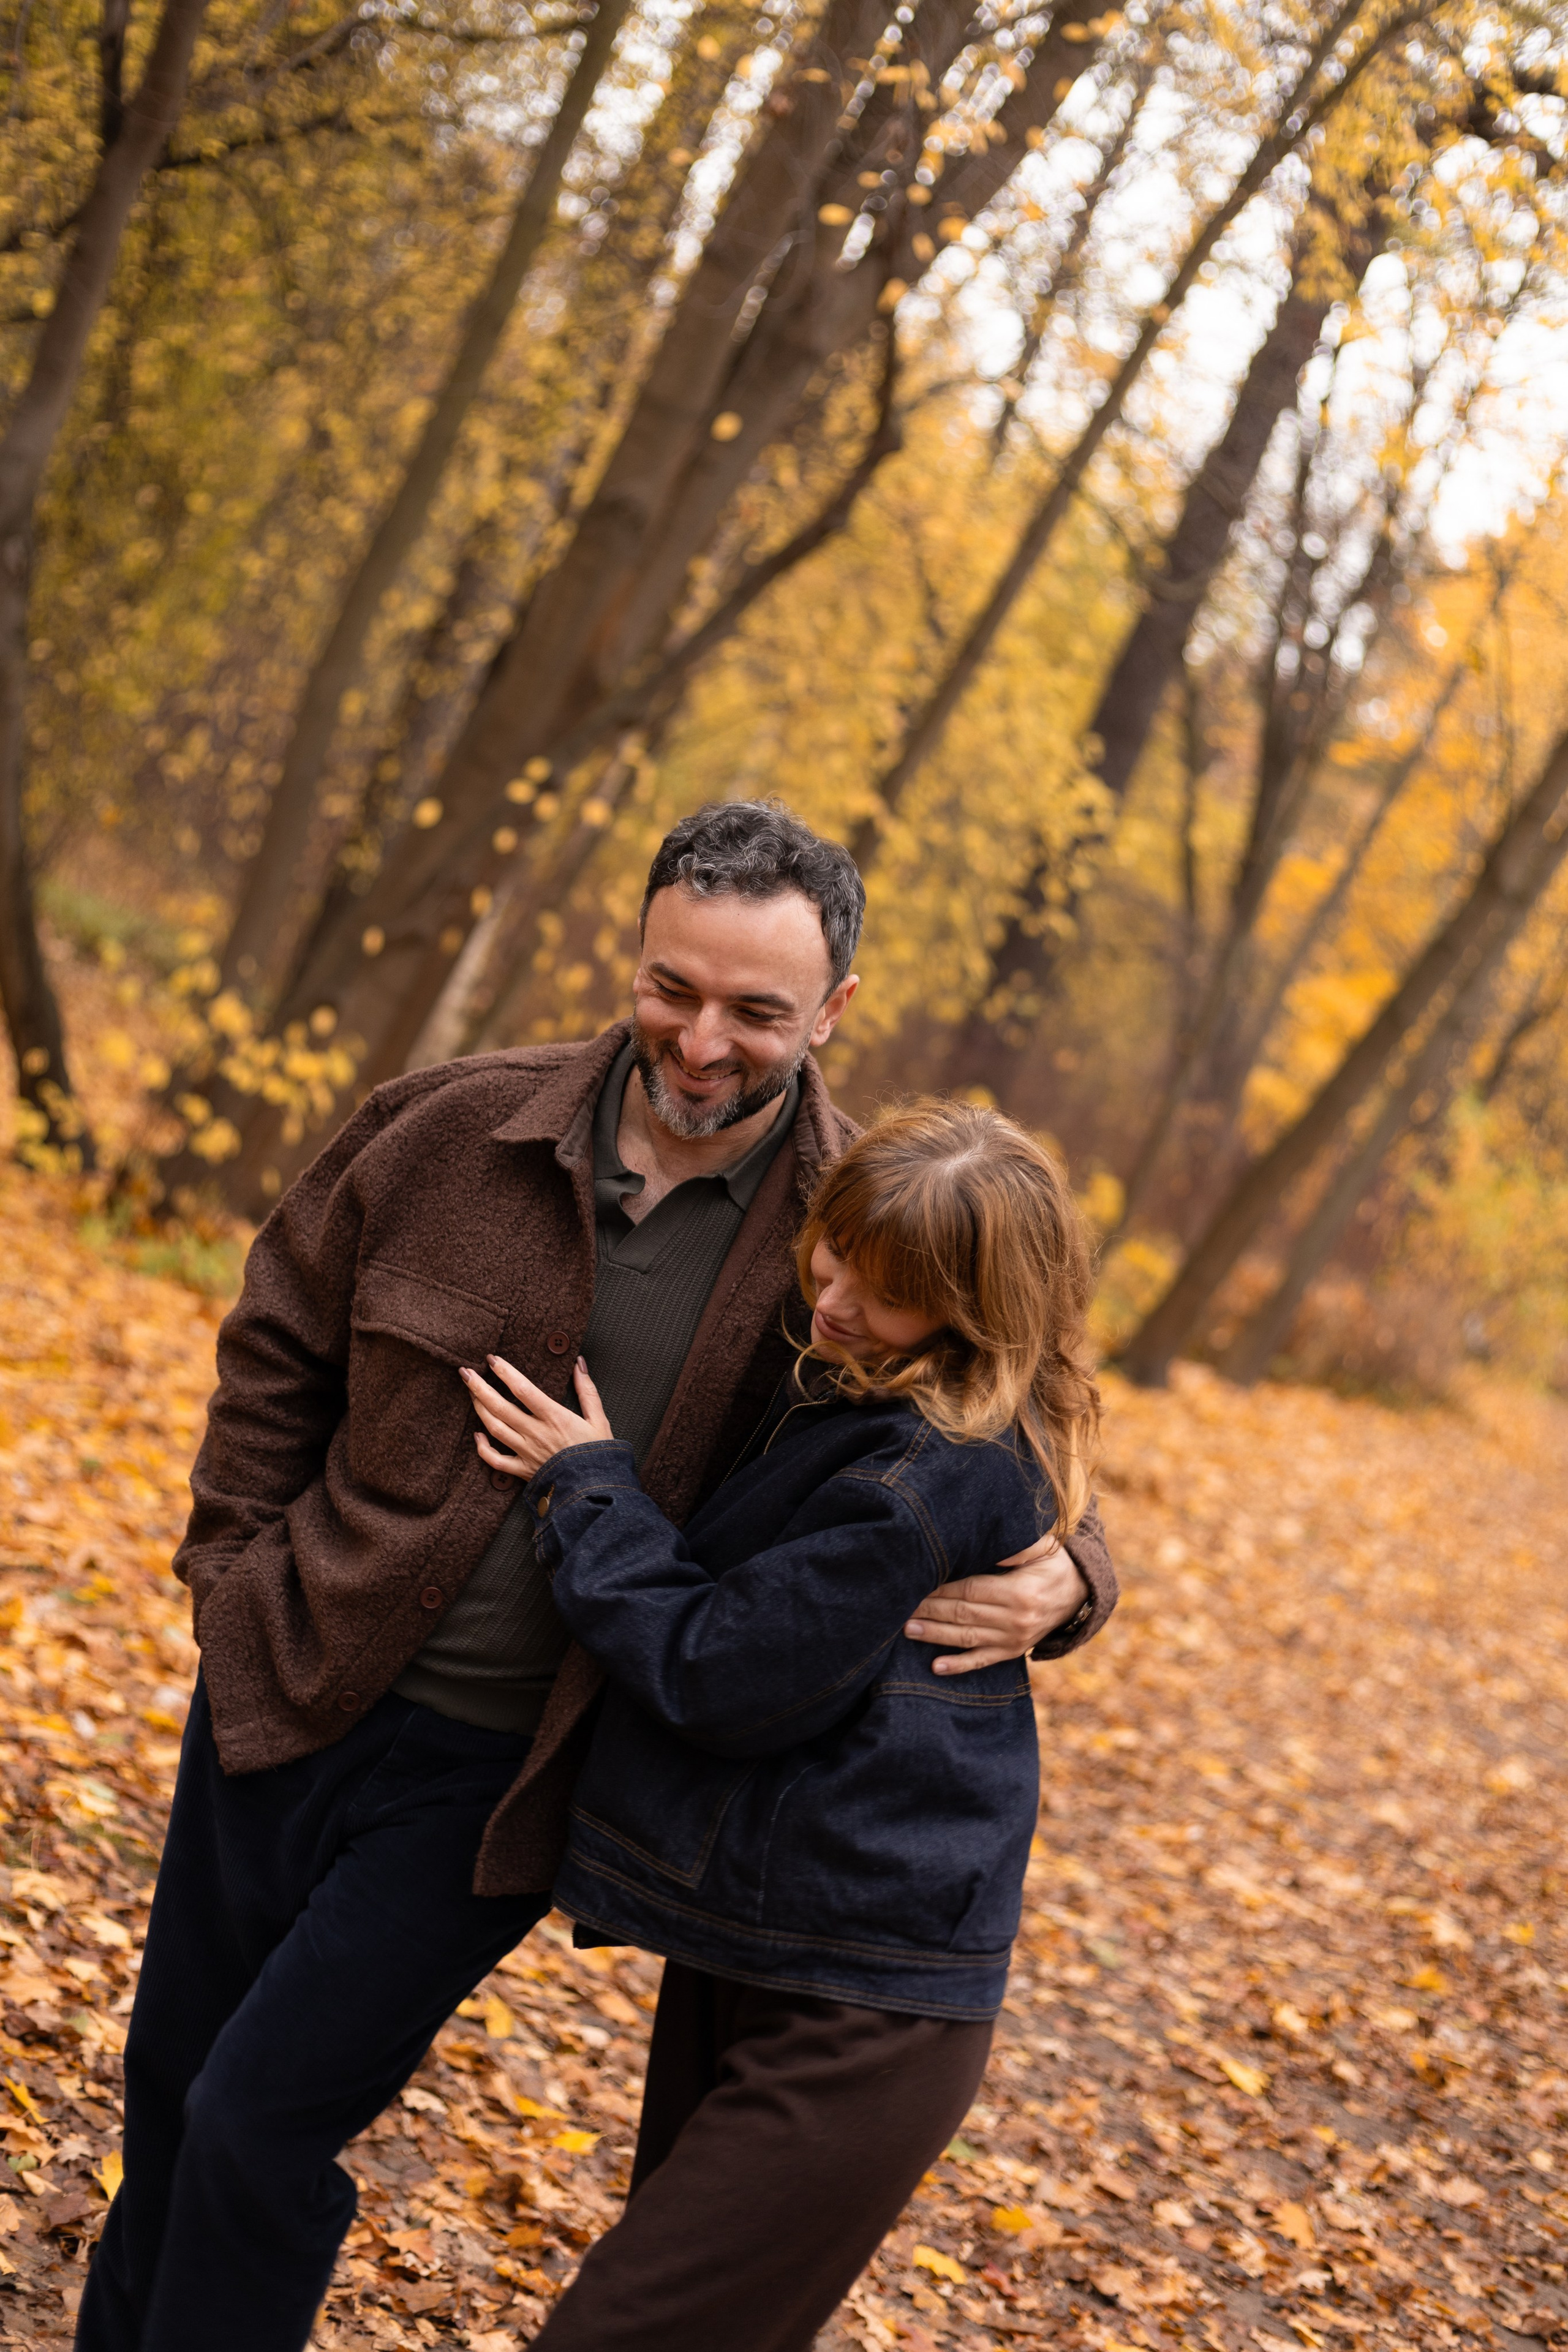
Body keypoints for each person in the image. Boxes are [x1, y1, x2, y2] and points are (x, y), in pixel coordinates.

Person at [78, 801, 1117, 2352]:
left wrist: (1078, 1579)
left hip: (504, 1779)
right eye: (670, 989)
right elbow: (277, 1341)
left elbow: (1008, 1408)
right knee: (170, 2096)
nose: (701, 1042)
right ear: (631, 957)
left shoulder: (855, 1232)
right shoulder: (442, 1127)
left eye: (756, 1012)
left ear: (832, 1011)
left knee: (256, 2118)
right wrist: (230, 1583)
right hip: (287, 1678)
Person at [456, 1097, 1107, 2352]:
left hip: (864, 2005)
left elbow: (719, 1670)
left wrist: (585, 1487)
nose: (840, 1297)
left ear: (979, 1310)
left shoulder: (917, 1471)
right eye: (836, 1250)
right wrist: (1082, 1573)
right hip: (766, 1944)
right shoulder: (868, 1379)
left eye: (892, 1287)